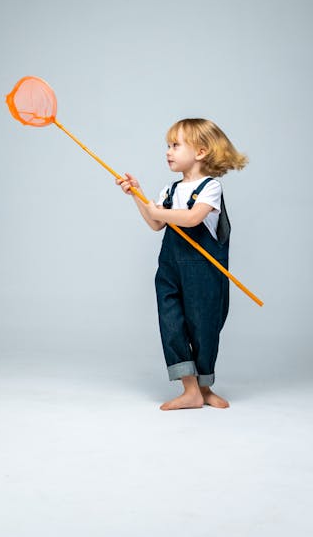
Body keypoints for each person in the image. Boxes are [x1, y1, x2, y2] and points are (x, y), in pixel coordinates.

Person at [116, 118, 248, 411]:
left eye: (176, 145)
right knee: (171, 323)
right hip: (170, 270)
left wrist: (158, 210)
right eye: (168, 145)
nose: (168, 152)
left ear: (200, 151)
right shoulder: (170, 190)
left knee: (203, 327)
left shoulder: (210, 187)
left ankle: (204, 387)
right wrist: (138, 196)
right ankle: (189, 390)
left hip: (204, 272)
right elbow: (155, 223)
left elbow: (191, 219)